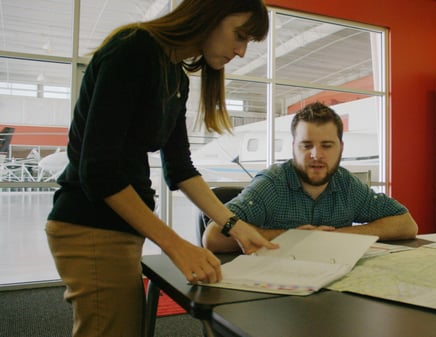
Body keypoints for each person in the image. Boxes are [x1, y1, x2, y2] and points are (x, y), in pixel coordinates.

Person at [44, 1, 277, 336]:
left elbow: (180, 169)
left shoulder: (175, 76)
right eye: (239, 36)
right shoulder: (134, 49)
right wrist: (176, 245)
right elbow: (98, 171)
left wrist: (235, 225)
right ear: (208, 15)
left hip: (119, 227)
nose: (241, 52)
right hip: (90, 224)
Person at [203, 102, 419, 252]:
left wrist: (338, 236)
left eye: (327, 145)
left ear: (341, 148)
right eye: (306, 145)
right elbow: (213, 238)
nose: (316, 155)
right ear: (293, 148)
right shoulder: (272, 184)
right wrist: (291, 237)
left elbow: (406, 225)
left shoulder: (346, 184)